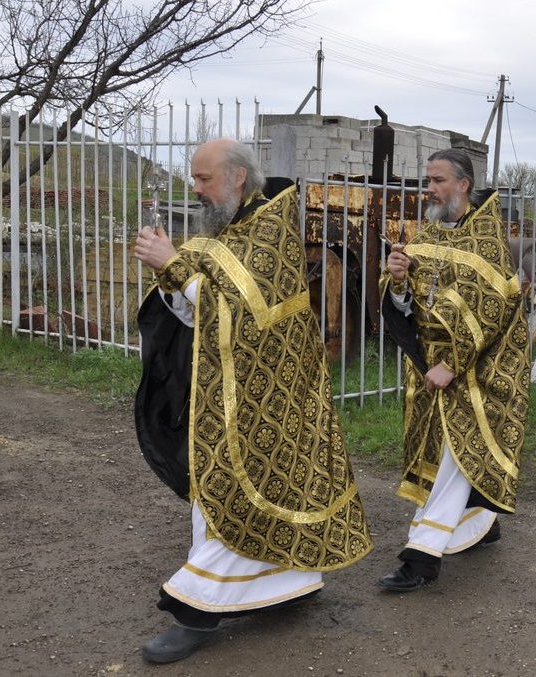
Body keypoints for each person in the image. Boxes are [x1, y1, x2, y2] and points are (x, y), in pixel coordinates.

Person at [132, 139, 372, 662]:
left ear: (239, 178)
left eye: (204, 179)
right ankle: (286, 584)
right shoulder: (227, 229)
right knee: (250, 487)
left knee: (230, 489)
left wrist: (174, 264)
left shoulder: (270, 228)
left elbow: (246, 313)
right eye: (193, 179)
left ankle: (198, 609)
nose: (195, 190)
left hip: (272, 394)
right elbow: (202, 311)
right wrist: (170, 271)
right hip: (230, 388)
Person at [378, 149, 531, 592]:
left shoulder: (488, 240)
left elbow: (493, 310)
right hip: (428, 370)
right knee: (443, 454)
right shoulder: (425, 231)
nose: (430, 188)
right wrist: (398, 278)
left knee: (456, 454)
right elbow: (406, 303)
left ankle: (422, 557)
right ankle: (481, 521)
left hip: (479, 373)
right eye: (428, 179)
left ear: (463, 185)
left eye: (439, 180)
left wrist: (453, 363)